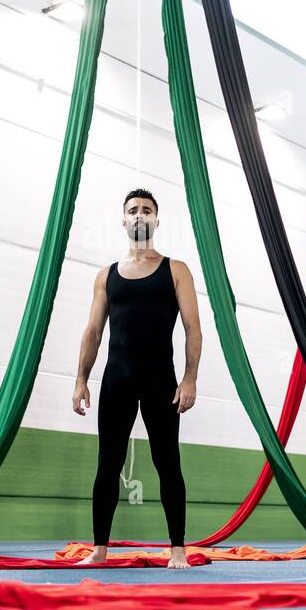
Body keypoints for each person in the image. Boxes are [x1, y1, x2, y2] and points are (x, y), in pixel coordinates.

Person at [71, 188, 202, 569]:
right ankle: (98, 550)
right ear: (124, 220)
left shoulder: (176, 270)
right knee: (107, 464)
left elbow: (193, 328)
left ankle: (177, 549)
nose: (140, 215)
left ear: (156, 221)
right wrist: (81, 379)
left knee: (167, 462)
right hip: (117, 381)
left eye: (147, 210)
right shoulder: (106, 276)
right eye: (133, 210)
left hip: (162, 380)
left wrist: (190, 379)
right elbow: (93, 331)